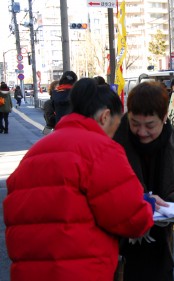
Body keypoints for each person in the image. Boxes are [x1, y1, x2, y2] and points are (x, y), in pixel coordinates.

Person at [3, 78, 158, 281]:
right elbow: (132, 220)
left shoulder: (35, 152)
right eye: (117, 125)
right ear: (105, 117)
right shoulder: (101, 149)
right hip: (82, 271)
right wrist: (149, 205)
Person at [113, 81, 174, 281]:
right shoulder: (114, 139)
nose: (141, 132)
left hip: (161, 243)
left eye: (150, 125)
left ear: (164, 117)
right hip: (121, 244)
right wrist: (139, 199)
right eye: (135, 123)